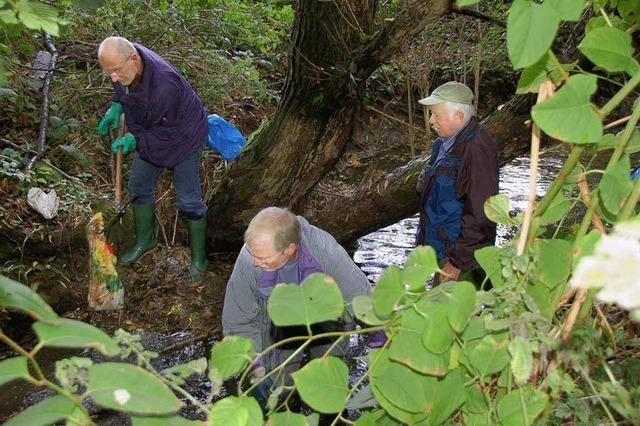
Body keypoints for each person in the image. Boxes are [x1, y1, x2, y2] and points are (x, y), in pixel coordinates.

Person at [222, 207, 383, 391]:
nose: (255, 262)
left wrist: (381, 337)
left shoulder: (325, 251)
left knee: (329, 381)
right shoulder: (250, 260)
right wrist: (254, 366)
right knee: (277, 385)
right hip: (279, 322)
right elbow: (238, 322)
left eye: (263, 258)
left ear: (289, 250)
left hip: (325, 316)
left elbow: (360, 297)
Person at [96, 36, 209, 285]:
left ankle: (200, 260)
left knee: (189, 201)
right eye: (108, 72)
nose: (113, 77)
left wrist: (134, 140)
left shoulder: (164, 85)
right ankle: (146, 241)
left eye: (115, 70)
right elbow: (122, 89)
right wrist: (117, 107)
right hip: (150, 129)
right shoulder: (127, 63)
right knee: (138, 188)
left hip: (183, 135)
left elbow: (165, 133)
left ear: (133, 59)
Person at [415, 81, 499, 282]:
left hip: (461, 261)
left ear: (459, 116)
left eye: (437, 115)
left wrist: (458, 263)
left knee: (451, 312)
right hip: (442, 251)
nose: (431, 120)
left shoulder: (478, 150)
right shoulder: (444, 144)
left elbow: (482, 214)